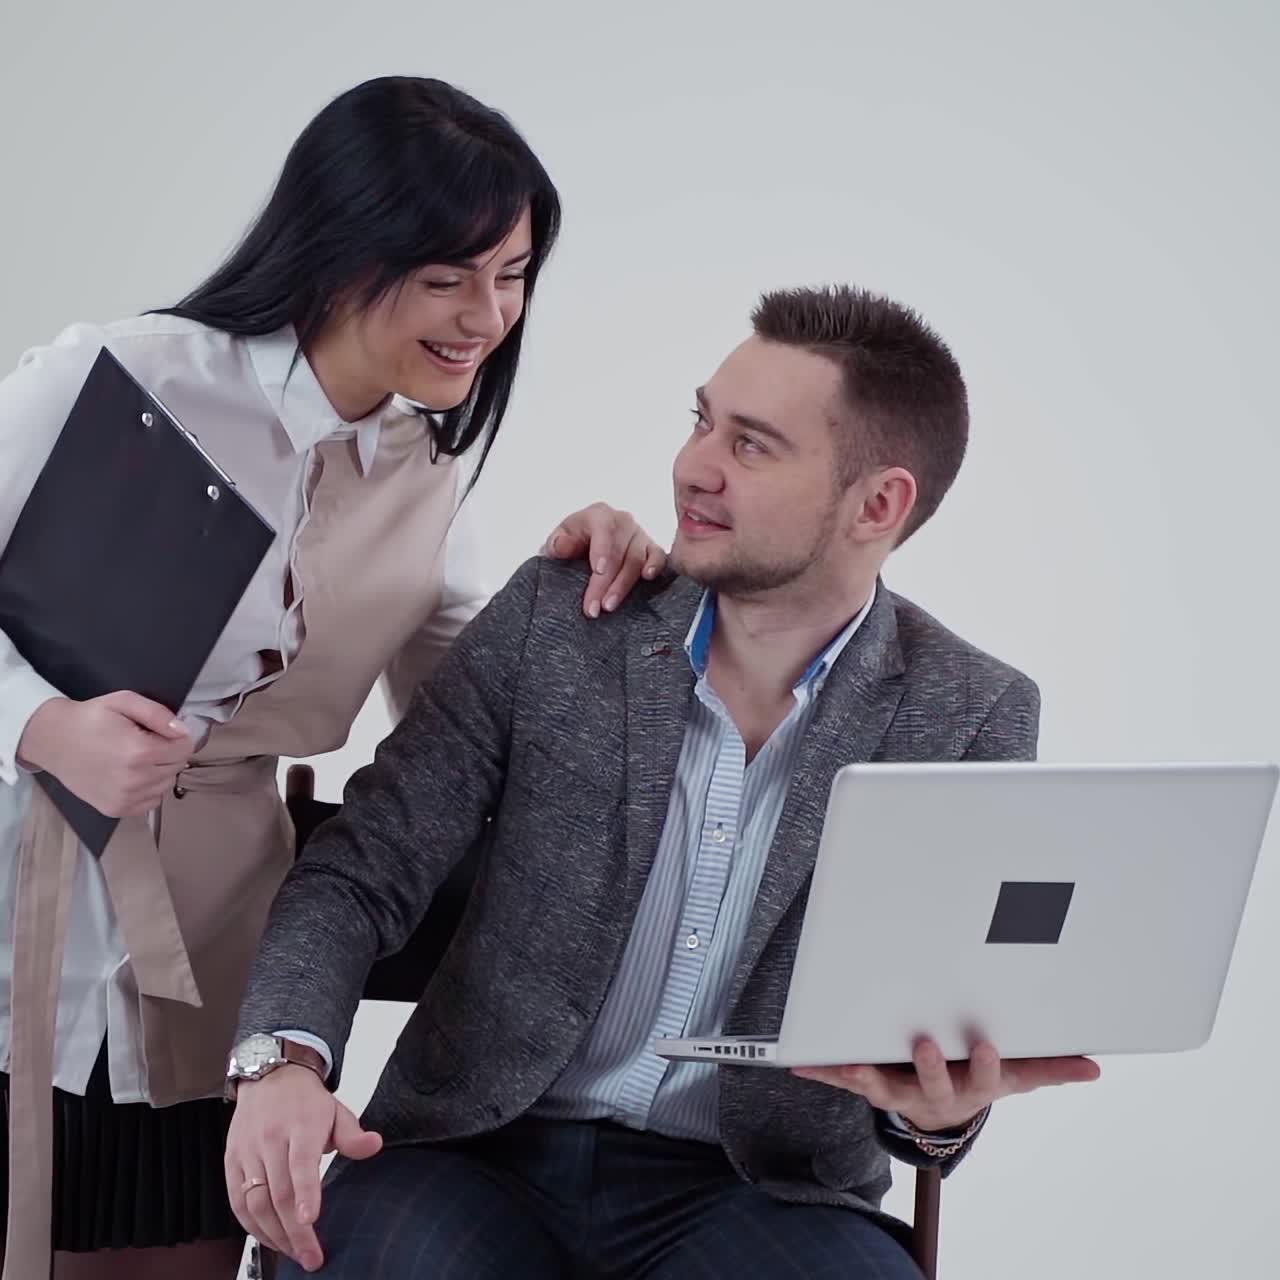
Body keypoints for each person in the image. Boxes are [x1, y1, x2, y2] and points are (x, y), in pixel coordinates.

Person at [227, 284, 1100, 1279]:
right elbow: (362, 863)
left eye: (751, 444)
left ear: (878, 504)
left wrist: (939, 1117)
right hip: (474, 1153)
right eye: (701, 421)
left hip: (755, 1186)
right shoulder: (562, 619)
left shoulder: (968, 712)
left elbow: (945, 1020)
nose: (693, 466)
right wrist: (282, 1060)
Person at [0, 76, 667, 1280]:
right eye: (448, 275)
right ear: (343, 247)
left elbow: (474, 716)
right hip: (17, 902)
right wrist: (41, 723)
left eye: (512, 274)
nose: (488, 314)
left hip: (215, 954)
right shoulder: (125, 376)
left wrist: (596, 600)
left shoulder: (423, 471)